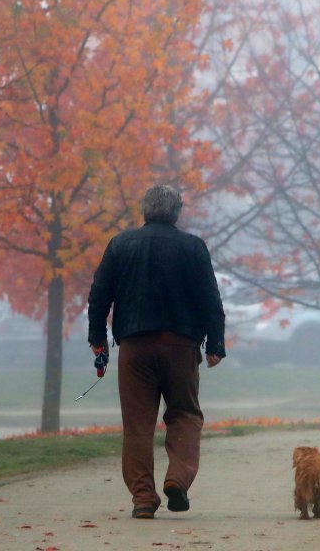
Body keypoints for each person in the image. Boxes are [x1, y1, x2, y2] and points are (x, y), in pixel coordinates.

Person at [87, 185, 226, 520]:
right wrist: (216, 343)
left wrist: (98, 340)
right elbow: (210, 297)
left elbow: (99, 296)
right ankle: (177, 478)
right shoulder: (193, 247)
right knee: (185, 415)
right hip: (180, 345)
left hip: (135, 347)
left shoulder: (120, 245)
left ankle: (143, 499)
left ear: (143, 210)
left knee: (137, 425)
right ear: (176, 212)